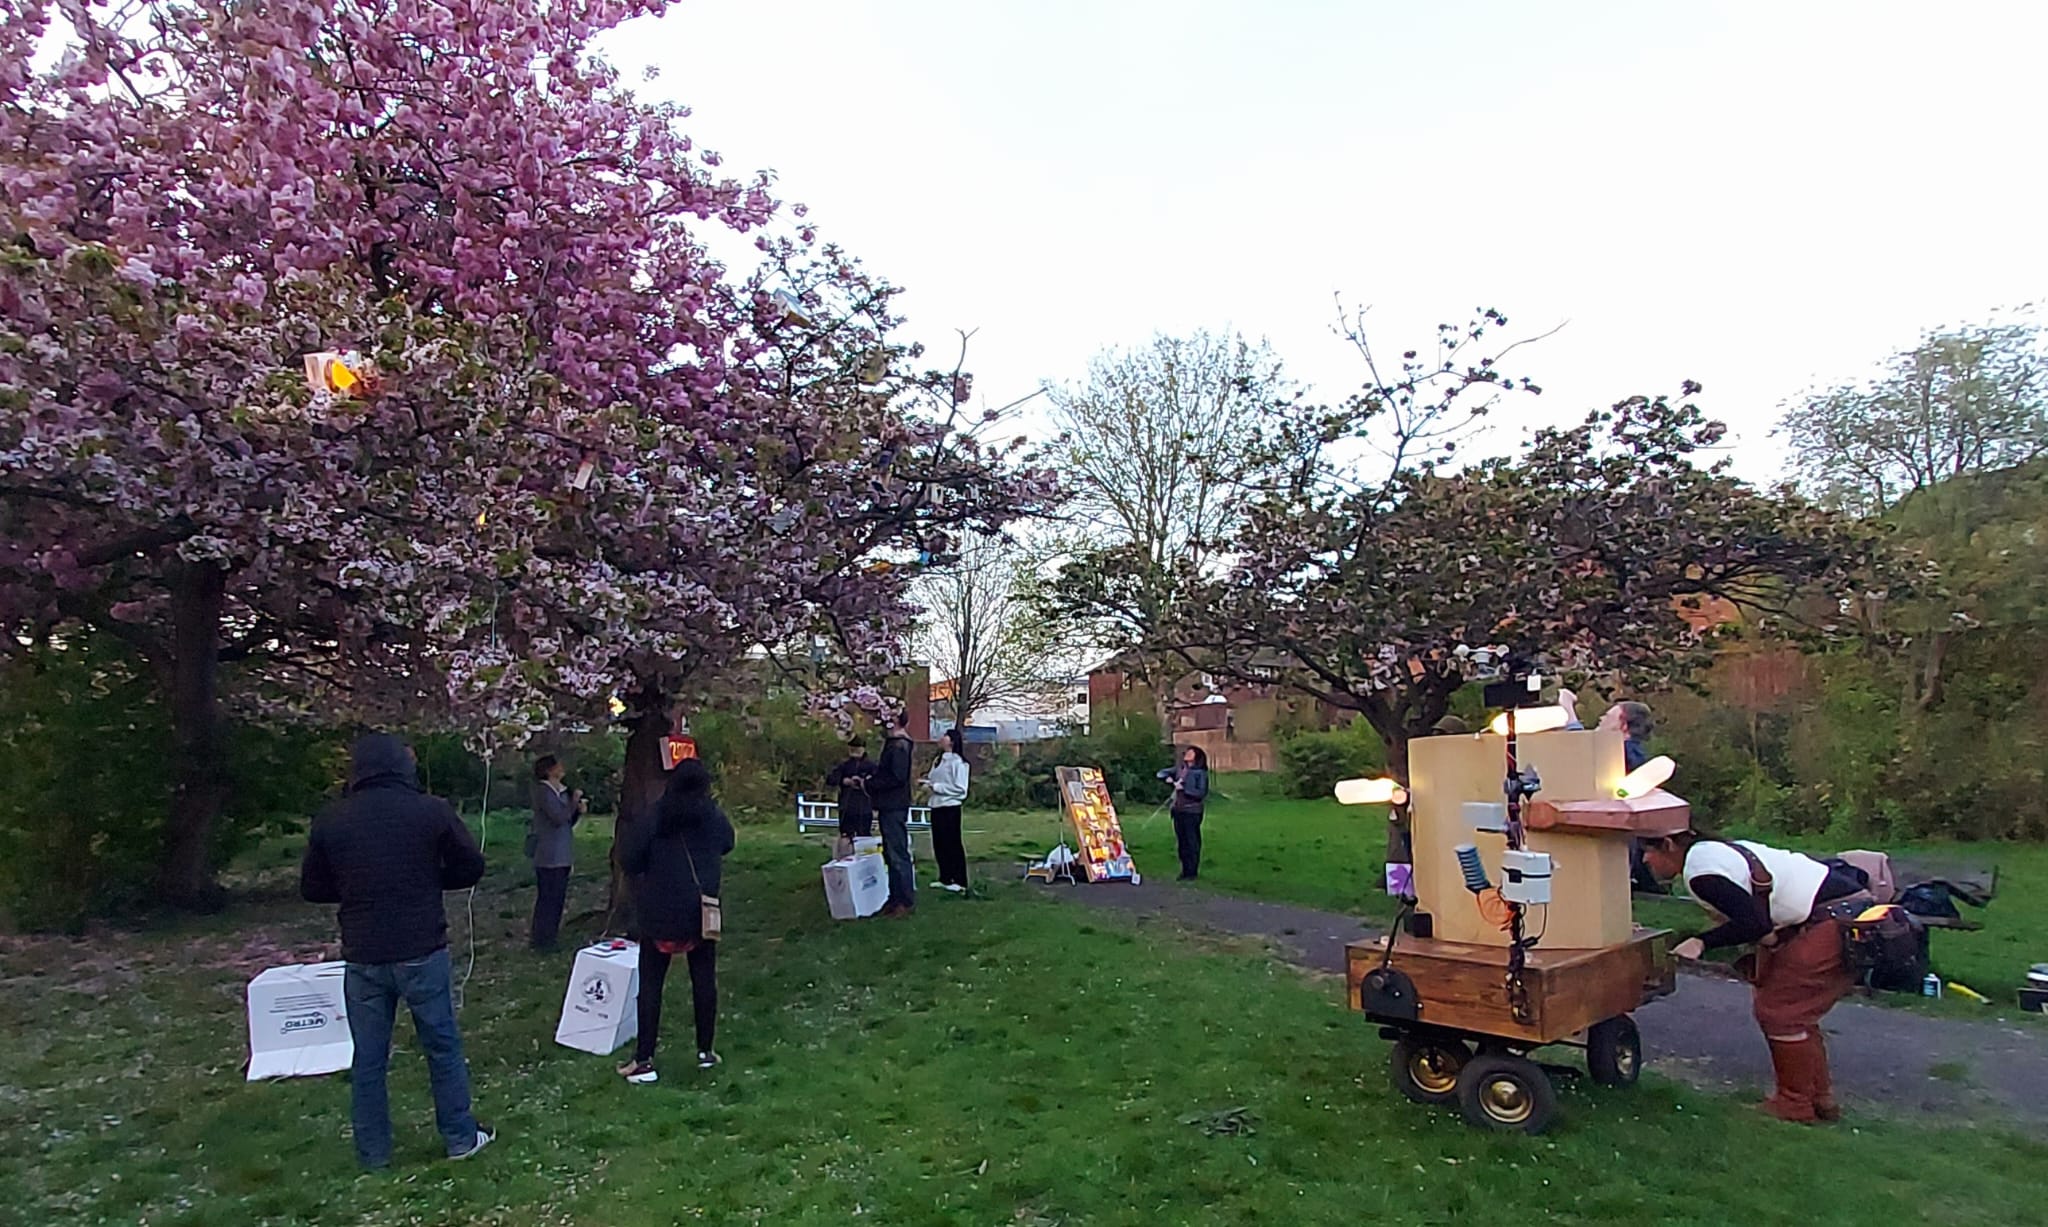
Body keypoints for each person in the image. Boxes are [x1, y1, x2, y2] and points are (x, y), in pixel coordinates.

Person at [300, 733, 493, 1169]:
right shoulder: (429, 811)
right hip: (421, 947)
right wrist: (430, 880)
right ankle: (461, 1136)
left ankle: (373, 1153)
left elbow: (312, 887)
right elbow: (472, 865)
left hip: (364, 952)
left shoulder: (333, 819)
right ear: (402, 767)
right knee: (441, 1045)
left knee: (368, 1057)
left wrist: (355, 887)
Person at [1643, 830, 1870, 1124]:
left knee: (1780, 1012)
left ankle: (1794, 1103)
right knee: (1794, 1012)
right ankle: (1819, 1098)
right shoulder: (1713, 851)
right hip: (1843, 913)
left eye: (1649, 849)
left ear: (1670, 845)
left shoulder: (1700, 873)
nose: (1645, 858)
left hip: (1832, 921)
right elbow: (1759, 921)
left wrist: (1701, 942)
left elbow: (1753, 922)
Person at [615, 757, 735, 1083]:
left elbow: (629, 858)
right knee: (704, 981)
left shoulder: (656, 815)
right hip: (701, 910)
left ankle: (644, 1059)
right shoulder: (710, 815)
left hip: (660, 911)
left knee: (652, 985)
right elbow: (728, 843)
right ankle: (705, 1052)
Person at [1560, 691, 1662, 893]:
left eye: (1608, 717)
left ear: (1622, 726)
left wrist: (1568, 709)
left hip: (1619, 834)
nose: (1601, 719)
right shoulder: (1629, 752)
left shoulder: (1625, 752)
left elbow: (1585, 750)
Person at [526, 754, 583, 952]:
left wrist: (577, 811)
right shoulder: (544, 792)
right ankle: (541, 939)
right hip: (548, 855)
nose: (562, 767)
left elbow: (567, 821)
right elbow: (558, 817)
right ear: (550, 770)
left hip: (562, 853)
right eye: (558, 765)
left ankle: (551, 936)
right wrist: (574, 802)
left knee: (558, 897)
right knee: (548, 898)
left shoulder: (561, 792)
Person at [869, 712, 918, 916]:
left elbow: (896, 777)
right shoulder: (896, 744)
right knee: (891, 852)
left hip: (893, 804)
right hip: (890, 804)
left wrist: (871, 783)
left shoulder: (899, 745)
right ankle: (895, 895)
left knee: (897, 852)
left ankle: (904, 900)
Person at [924, 728, 972, 893]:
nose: (941, 738)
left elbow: (960, 789)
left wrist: (937, 787)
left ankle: (959, 880)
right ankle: (945, 876)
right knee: (939, 843)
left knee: (952, 843)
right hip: (936, 805)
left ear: (952, 741)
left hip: (950, 807)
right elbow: (933, 778)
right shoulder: (938, 760)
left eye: (945, 736)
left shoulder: (958, 763)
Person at [1157, 746, 1210, 881]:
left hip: (1192, 811)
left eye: (1190, 752)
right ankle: (1184, 870)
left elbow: (1201, 793)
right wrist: (1167, 778)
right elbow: (1161, 773)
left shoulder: (1200, 773)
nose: (1186, 754)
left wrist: (1185, 789)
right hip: (1178, 810)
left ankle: (1192, 871)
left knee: (1192, 841)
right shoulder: (1180, 769)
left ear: (1196, 756)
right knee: (1182, 842)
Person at [825, 739, 876, 840]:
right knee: (846, 835)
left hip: (864, 806)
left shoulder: (871, 766)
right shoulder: (844, 765)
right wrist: (844, 781)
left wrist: (863, 782)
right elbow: (830, 779)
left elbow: (877, 782)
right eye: (853, 749)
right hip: (847, 805)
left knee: (864, 835)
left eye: (857, 748)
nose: (855, 751)